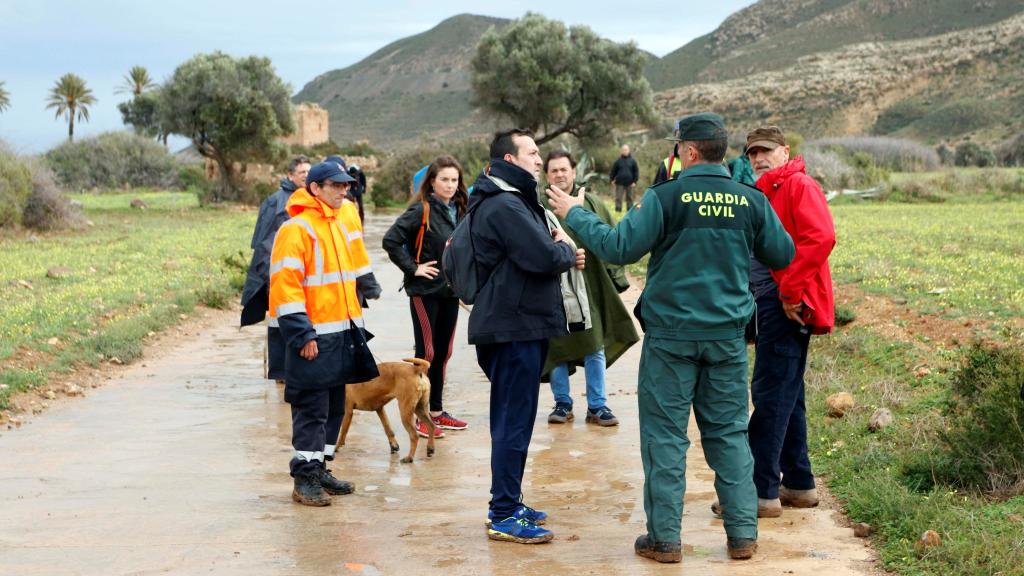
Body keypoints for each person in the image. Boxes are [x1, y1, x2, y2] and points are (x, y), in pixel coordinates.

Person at [546, 113, 795, 563]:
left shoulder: (666, 196)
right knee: (729, 436)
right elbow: (782, 252)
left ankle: (665, 541)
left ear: (691, 151)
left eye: (680, 145)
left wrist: (574, 215)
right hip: (727, 340)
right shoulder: (750, 199)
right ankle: (742, 537)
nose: (677, 151)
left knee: (665, 439)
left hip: (671, 340)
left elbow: (619, 247)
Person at [468, 129, 584, 544]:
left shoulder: (511, 201)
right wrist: (567, 250)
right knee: (512, 422)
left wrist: (561, 250)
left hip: (516, 324)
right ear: (509, 159)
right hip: (512, 327)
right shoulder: (505, 206)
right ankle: (502, 513)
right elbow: (541, 255)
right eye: (532, 153)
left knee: (514, 419)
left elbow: (540, 252)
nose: (539, 160)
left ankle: (510, 502)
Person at [269, 161, 382, 507]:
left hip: (341, 335)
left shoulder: (337, 223)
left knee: (334, 406)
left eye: (346, 185)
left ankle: (320, 468)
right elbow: (285, 288)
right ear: (315, 188)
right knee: (311, 409)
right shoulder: (296, 229)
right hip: (313, 338)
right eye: (335, 185)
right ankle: (304, 478)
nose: (343, 191)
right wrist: (302, 335)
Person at [744, 125, 836, 516]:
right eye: (752, 153)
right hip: (774, 303)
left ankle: (758, 493)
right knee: (788, 395)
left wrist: (790, 291)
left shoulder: (798, 185)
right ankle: (799, 484)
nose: (759, 158)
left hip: (787, 306)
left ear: (785, 151)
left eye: (766, 151)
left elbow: (822, 237)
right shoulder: (768, 191)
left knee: (769, 395)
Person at [540, 150, 639, 427]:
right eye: (554, 171)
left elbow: (611, 239)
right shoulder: (537, 205)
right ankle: (562, 403)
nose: (560, 175)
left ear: (574, 172)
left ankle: (598, 406)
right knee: (556, 343)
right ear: (546, 175)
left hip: (590, 284)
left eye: (564, 170)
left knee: (594, 342)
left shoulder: (593, 203)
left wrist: (615, 279)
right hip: (553, 287)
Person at [382, 155, 471, 438]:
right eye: (444, 179)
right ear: (432, 181)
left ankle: (436, 412)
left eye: (454, 180)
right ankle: (418, 416)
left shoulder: (460, 210)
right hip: (424, 293)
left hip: (450, 292)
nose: (449, 185)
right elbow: (390, 240)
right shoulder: (420, 210)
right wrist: (413, 268)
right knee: (427, 355)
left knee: (444, 354)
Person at [240, 155, 311, 384]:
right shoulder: (276, 202)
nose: (307, 177)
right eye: (302, 173)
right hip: (280, 274)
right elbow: (262, 242)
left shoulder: (312, 200)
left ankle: (298, 369)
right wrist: (269, 277)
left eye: (310, 173)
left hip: (304, 275)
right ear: (290, 175)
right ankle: (282, 374)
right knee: (280, 322)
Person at [609, 144, 640, 213]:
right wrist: (611, 179)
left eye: (626, 150)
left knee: (630, 198)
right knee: (618, 198)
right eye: (623, 150)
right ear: (621, 151)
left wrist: (635, 181)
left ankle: (630, 211)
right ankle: (618, 210)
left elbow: (636, 172)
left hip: (630, 183)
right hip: (619, 183)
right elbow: (613, 171)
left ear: (629, 150)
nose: (625, 151)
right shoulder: (618, 161)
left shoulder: (633, 161)